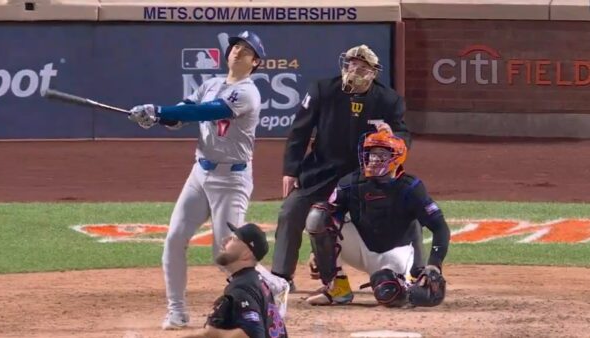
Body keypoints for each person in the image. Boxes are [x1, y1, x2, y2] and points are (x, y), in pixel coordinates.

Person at [127, 30, 289, 330]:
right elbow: (184, 112)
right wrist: (157, 118)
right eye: (235, 47)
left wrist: (160, 110)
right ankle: (176, 311)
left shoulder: (248, 92)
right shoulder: (211, 84)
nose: (237, 52)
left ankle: (273, 284)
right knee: (174, 240)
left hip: (232, 180)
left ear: (255, 62)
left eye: (246, 49)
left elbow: (211, 111)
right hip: (199, 174)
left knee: (224, 255)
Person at [271, 44, 425, 289]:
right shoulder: (322, 90)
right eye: (351, 64)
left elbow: (403, 133)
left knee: (405, 206)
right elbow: (299, 132)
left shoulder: (389, 100)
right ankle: (281, 277)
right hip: (322, 171)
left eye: (362, 67)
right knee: (291, 210)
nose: (354, 70)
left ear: (373, 73)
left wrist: (393, 137)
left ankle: (418, 274)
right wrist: (291, 170)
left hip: (364, 177)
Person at [305, 130, 450, 307]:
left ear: (396, 158)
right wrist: (318, 251)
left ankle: (402, 285)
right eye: (371, 154)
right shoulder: (350, 182)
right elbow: (329, 219)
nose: (374, 159)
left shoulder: (411, 187)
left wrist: (434, 264)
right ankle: (337, 288)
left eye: (381, 155)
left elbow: (440, 226)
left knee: (389, 293)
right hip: (359, 248)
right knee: (318, 215)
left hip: (394, 254)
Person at [182, 222, 288, 338]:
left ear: (246, 254)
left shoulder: (242, 287)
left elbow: (253, 335)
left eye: (234, 238)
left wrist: (211, 334)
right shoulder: (255, 281)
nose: (225, 240)